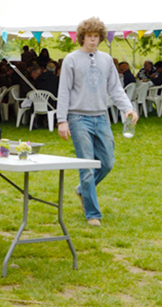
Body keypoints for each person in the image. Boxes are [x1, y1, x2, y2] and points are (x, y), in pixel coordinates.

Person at [57, 16, 137, 227]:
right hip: (77, 117)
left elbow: (115, 88)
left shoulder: (106, 60)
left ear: (100, 38)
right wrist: (61, 120)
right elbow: (63, 91)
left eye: (96, 37)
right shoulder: (71, 60)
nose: (93, 40)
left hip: (101, 117)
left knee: (107, 162)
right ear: (82, 37)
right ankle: (93, 214)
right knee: (87, 167)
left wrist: (127, 108)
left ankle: (83, 190)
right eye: (89, 36)